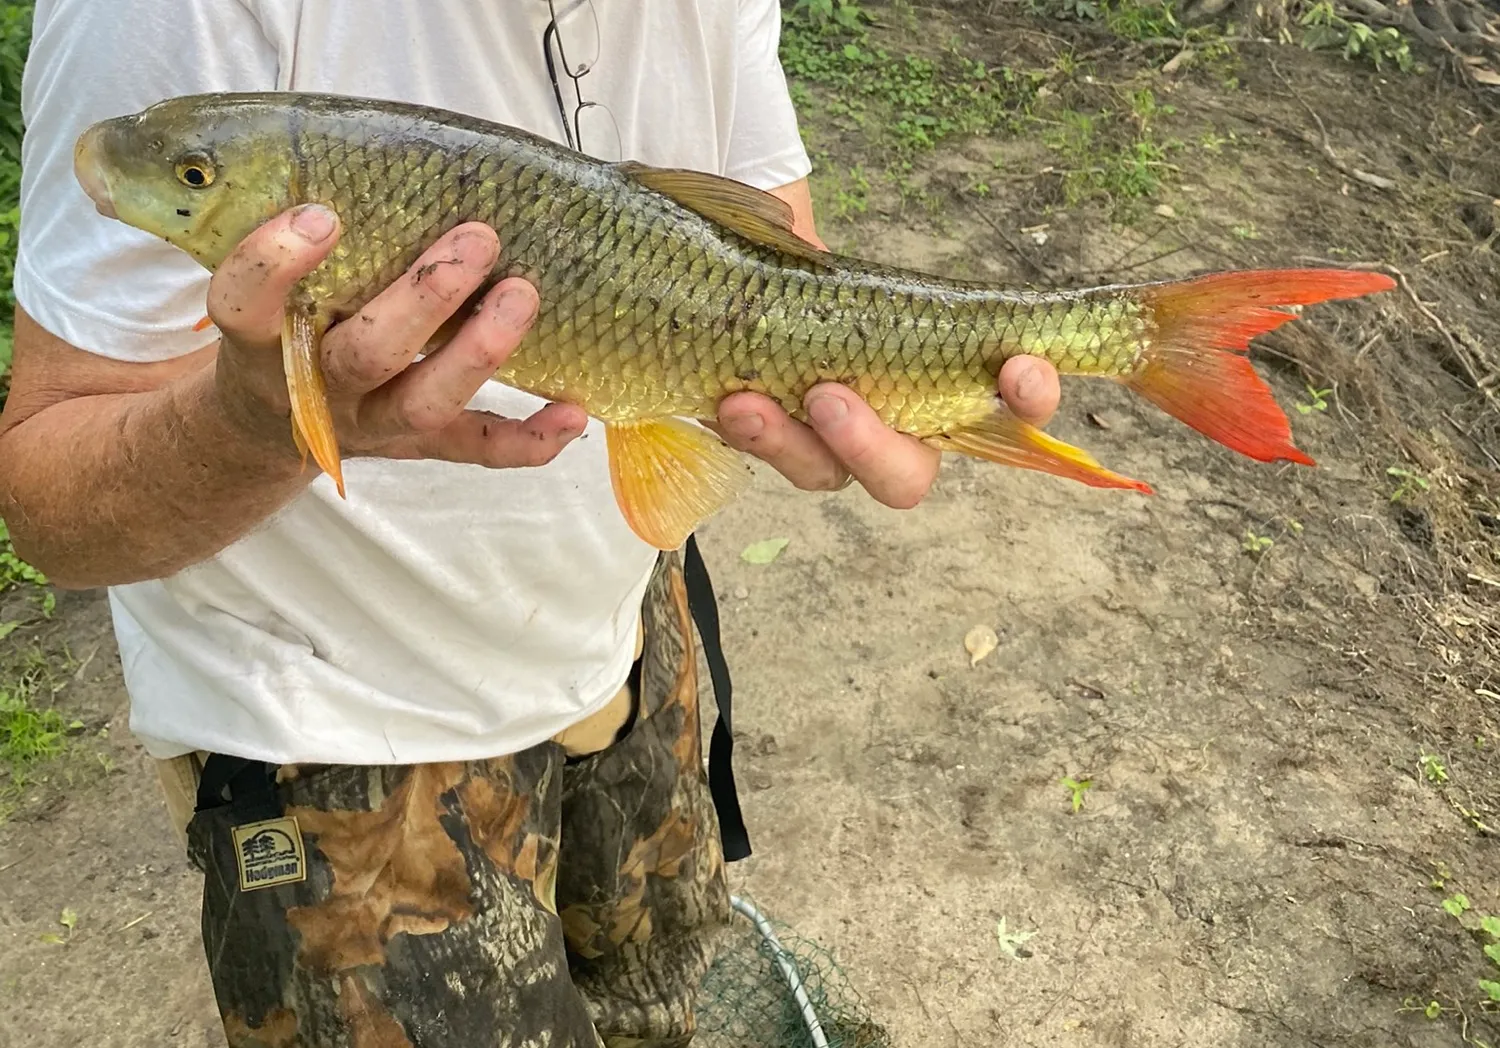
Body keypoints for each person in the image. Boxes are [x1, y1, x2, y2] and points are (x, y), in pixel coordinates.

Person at [0, 1, 1062, 1044]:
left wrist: (874, 384)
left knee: (663, 998)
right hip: (333, 729)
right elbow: (52, 507)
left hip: (632, 633)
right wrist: (254, 419)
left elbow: (777, 257)